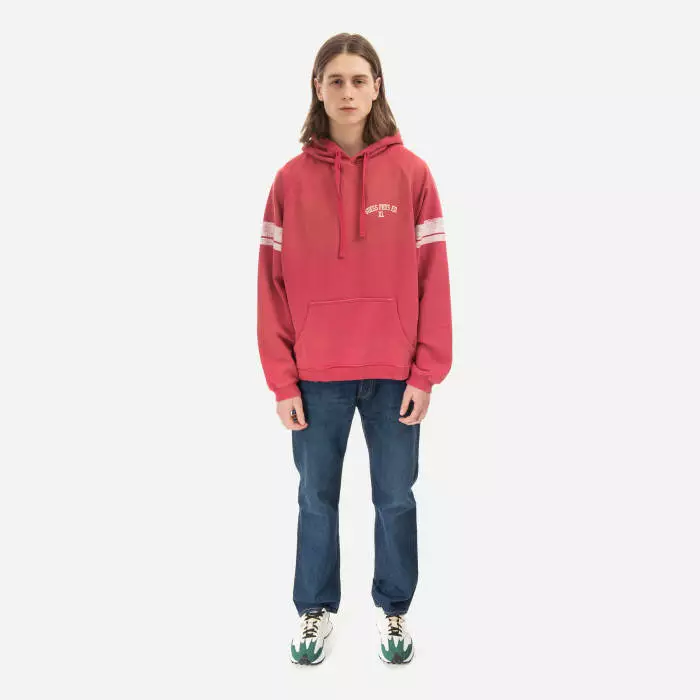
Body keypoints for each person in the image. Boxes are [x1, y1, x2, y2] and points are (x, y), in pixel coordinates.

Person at [256, 33, 452, 666]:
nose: (347, 92)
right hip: (315, 376)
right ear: (317, 88)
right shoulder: (288, 181)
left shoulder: (413, 174)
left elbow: (434, 280)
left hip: (395, 374)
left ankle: (395, 609)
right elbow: (269, 287)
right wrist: (282, 380)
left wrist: (426, 371)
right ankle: (314, 610)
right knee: (315, 500)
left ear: (377, 88)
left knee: (395, 497)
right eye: (335, 80)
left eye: (358, 80)